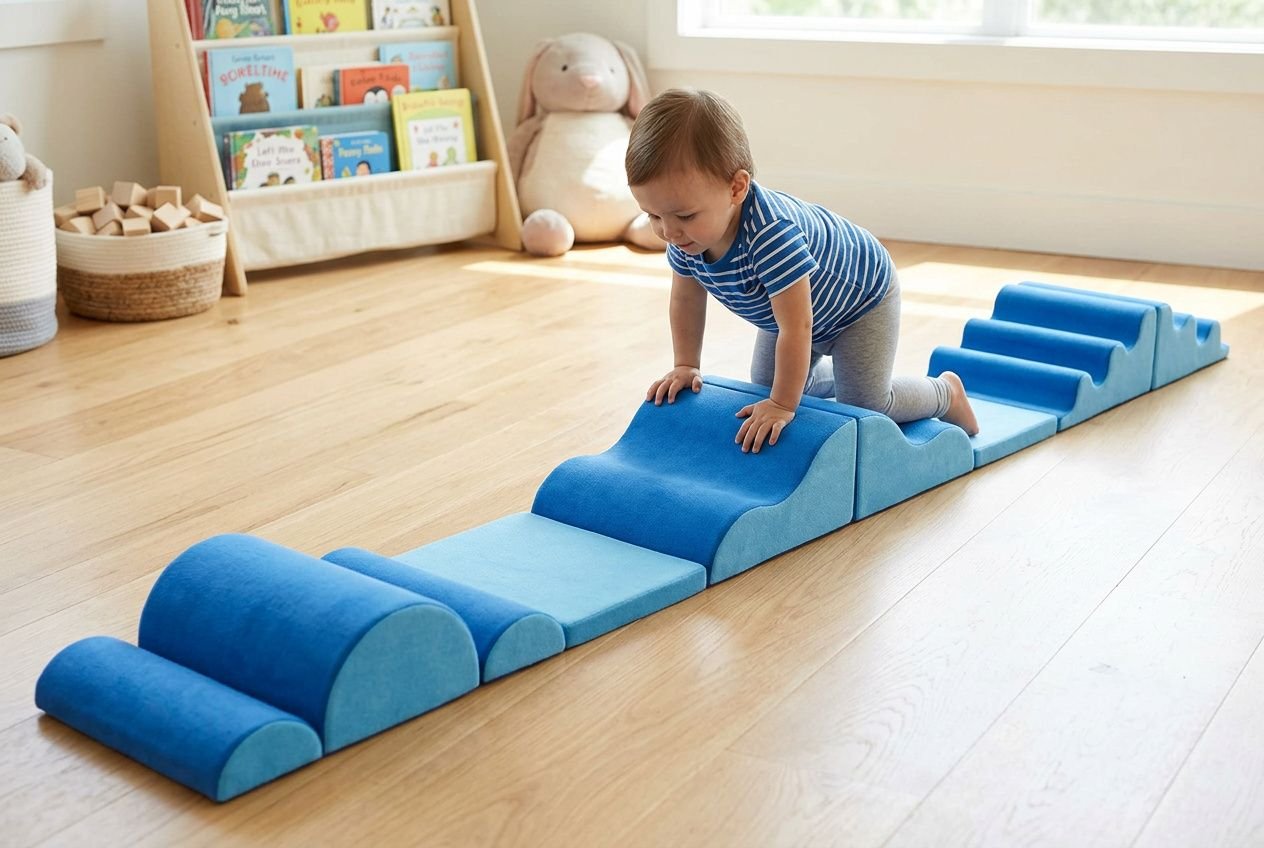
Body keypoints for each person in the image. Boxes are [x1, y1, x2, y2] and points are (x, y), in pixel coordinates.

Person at [626, 88, 979, 453]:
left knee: (866, 405)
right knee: (766, 382)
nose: (667, 231)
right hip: (801, 311)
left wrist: (782, 405)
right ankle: (842, 376)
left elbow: (798, 327)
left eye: (684, 216)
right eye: (652, 215)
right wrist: (686, 364)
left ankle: (945, 392)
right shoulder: (687, 238)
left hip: (859, 301)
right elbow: (686, 299)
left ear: (736, 187)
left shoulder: (770, 236)